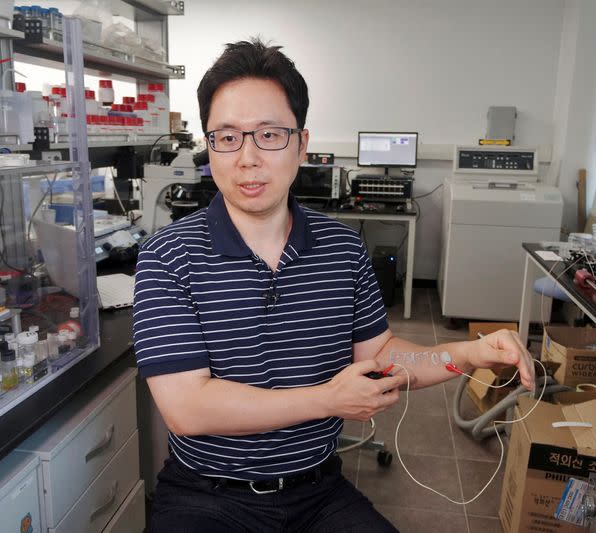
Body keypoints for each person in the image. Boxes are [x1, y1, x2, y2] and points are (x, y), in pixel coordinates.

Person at [133, 38, 535, 533]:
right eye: (228, 136)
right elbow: (187, 408)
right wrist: (325, 400)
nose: (248, 158)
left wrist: (469, 355)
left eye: (270, 135)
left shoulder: (343, 249)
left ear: (302, 144)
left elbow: (383, 354)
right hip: (208, 495)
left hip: (317, 492)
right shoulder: (168, 256)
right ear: (208, 147)